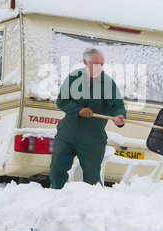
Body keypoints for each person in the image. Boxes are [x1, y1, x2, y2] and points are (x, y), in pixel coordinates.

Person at [50, 47, 126, 189]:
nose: (100, 67)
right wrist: (79, 110)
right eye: (97, 64)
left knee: (92, 180)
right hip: (67, 135)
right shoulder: (74, 77)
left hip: (93, 139)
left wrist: (119, 115)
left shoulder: (107, 83)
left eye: (102, 64)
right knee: (56, 170)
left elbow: (116, 105)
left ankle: (92, 207)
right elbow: (62, 101)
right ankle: (57, 200)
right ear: (85, 62)